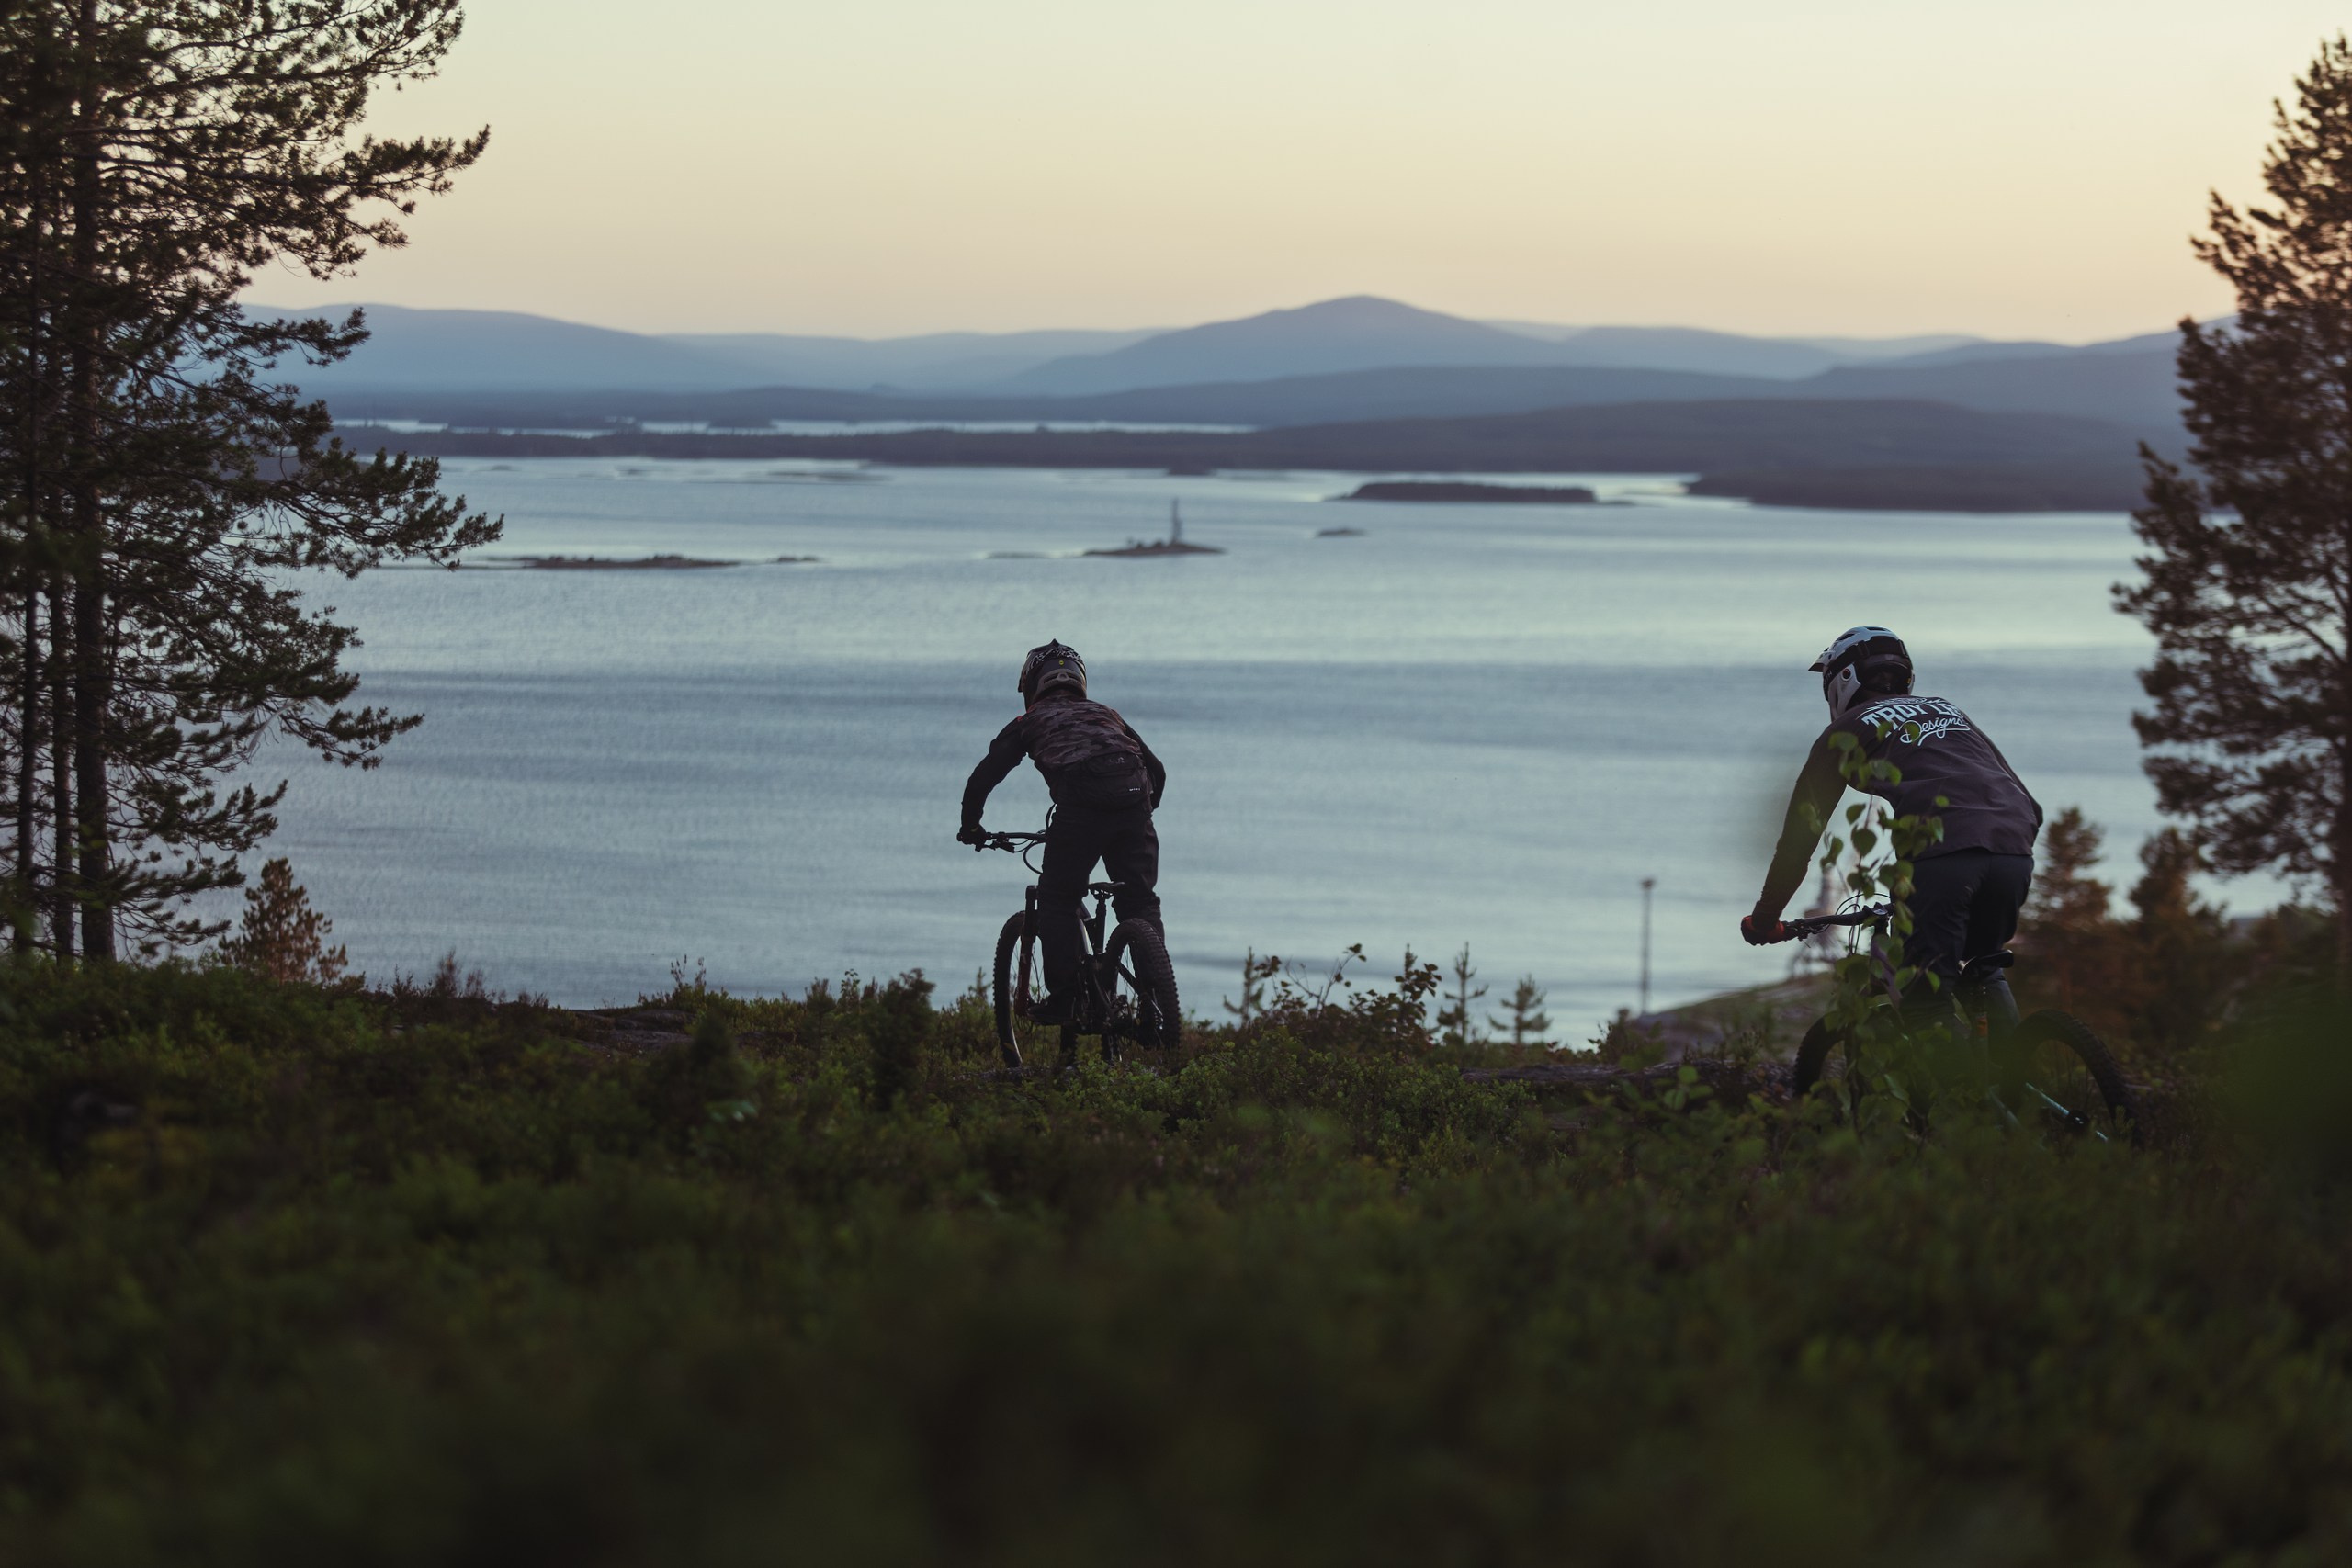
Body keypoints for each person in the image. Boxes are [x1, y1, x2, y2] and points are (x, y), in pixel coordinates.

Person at [1741, 626, 2043, 1025]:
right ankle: (2017, 1064)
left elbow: (1799, 840)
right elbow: (2028, 802)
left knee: (1923, 1002)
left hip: (1943, 857)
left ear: (1841, 680)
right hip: (2014, 850)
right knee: (1981, 963)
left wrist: (1765, 920)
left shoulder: (1844, 733)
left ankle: (1950, 1060)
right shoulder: (1948, 710)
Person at [960, 640, 1166, 1023]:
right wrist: (1139, 815)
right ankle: (1155, 1005)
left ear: (1031, 685)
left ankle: (1066, 1000)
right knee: (1139, 902)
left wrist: (971, 827)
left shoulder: (1029, 721)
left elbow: (982, 779)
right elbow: (1157, 771)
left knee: (1057, 898)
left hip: (1080, 811)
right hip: (1134, 805)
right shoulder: (1106, 714)